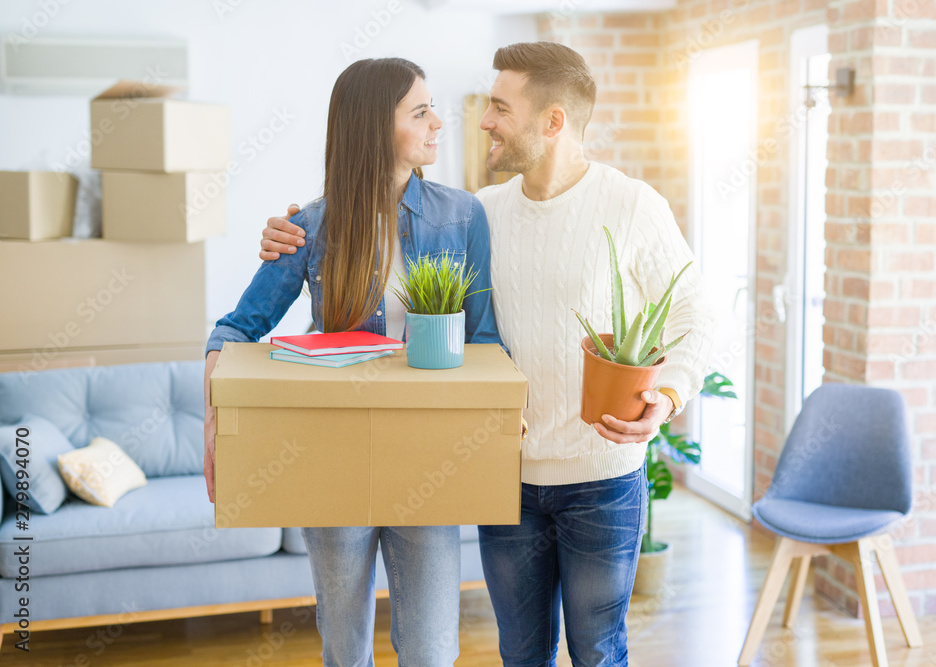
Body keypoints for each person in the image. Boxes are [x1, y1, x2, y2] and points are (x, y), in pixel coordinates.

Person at [259, 42, 714, 667]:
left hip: (601, 475)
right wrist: (300, 226)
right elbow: (473, 327)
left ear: (552, 121)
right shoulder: (483, 211)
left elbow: (695, 312)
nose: (480, 121)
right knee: (520, 653)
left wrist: (666, 396)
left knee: (599, 651)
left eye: (499, 107)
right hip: (509, 476)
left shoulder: (630, 206)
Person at [203, 57, 502, 667]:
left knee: (431, 649)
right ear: (372, 127)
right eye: (420, 111)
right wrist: (215, 418)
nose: (439, 122)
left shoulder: (464, 216)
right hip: (333, 452)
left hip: (429, 459)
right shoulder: (310, 225)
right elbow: (235, 330)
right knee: (345, 648)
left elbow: (486, 344)